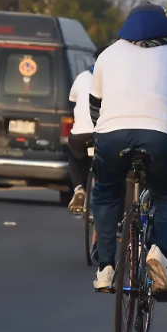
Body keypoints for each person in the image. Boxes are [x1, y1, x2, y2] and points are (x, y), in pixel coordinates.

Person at [88, 2, 167, 302]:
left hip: (112, 135)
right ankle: (158, 254)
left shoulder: (108, 55)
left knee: (105, 192)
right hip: (161, 137)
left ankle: (105, 269)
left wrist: (103, 142)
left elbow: (95, 108)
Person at [67, 47, 105, 216]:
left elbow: (73, 100)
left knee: (75, 156)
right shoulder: (116, 79)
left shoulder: (82, 77)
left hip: (80, 133)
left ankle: (79, 189)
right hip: (104, 133)